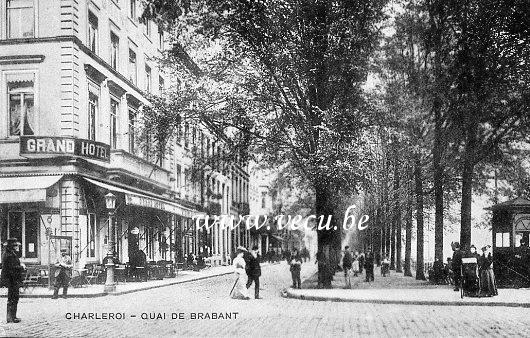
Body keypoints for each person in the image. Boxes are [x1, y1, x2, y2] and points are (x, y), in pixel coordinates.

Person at [1, 238, 24, 323]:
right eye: (16, 245)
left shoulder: (9, 253)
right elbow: (12, 268)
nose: (17, 246)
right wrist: (22, 267)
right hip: (12, 279)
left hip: (12, 279)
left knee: (12, 298)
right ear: (12, 246)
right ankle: (12, 318)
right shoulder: (10, 255)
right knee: (13, 298)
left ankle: (11, 317)